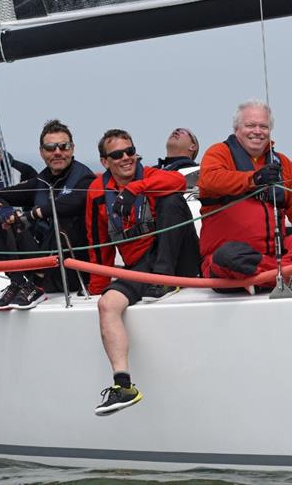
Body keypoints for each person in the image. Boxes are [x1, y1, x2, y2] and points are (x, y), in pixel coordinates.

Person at [87, 129, 200, 416]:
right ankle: (123, 386)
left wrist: (135, 189)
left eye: (130, 151)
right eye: (117, 155)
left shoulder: (151, 175)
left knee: (172, 199)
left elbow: (177, 181)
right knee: (106, 305)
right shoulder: (97, 193)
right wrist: (98, 284)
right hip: (141, 267)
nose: (126, 158)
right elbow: (98, 241)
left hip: (178, 260)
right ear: (104, 161)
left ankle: (164, 281)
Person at [197, 99, 292, 291]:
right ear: (237, 129)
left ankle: (266, 278)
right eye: (250, 125)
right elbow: (210, 179)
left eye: (263, 126)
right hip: (233, 259)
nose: (257, 131)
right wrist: (253, 179)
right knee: (228, 256)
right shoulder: (218, 153)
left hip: (276, 255)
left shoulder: (281, 162)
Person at [0, 120, 96, 310]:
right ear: (41, 152)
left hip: (72, 269)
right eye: (50, 148)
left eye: (63, 146)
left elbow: (72, 203)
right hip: (41, 261)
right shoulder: (40, 181)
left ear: (72, 149)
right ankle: (20, 282)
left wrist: (33, 214)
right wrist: (1, 210)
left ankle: (36, 285)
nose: (57, 152)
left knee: (61, 216)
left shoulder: (86, 177)